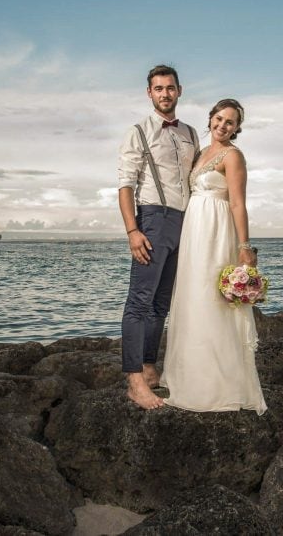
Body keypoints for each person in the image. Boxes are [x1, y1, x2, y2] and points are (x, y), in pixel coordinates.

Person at [160, 98, 267, 415]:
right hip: (195, 231)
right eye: (219, 119)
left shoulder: (233, 156)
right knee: (192, 296)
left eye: (230, 122)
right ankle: (188, 374)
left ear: (237, 129)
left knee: (212, 298)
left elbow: (237, 203)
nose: (223, 125)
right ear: (210, 119)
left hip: (217, 230)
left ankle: (218, 383)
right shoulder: (200, 153)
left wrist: (245, 245)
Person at [117, 64, 200, 410]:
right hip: (152, 218)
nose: (164, 93)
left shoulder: (192, 134)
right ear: (149, 93)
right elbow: (125, 185)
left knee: (160, 303)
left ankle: (150, 368)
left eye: (170, 88)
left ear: (179, 90)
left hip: (187, 221)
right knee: (139, 301)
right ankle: (134, 381)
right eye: (158, 88)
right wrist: (133, 230)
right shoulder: (138, 132)